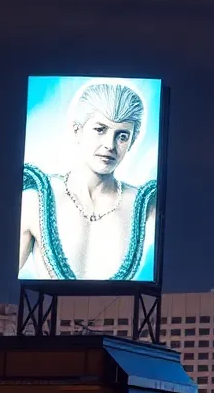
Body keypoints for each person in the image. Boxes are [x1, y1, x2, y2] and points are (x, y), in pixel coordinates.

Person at [20, 80, 158, 281]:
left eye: (122, 136)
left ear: (131, 142)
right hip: (49, 311)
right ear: (77, 130)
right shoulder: (35, 199)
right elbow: (2, 277)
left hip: (123, 312)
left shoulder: (147, 204)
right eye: (100, 129)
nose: (109, 145)